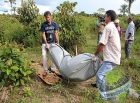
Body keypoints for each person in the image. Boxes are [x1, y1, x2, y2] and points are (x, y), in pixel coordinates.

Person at [91, 10, 121, 99]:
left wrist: (95, 55)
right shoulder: (112, 27)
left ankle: (104, 96)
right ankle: (108, 94)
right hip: (112, 57)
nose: (104, 18)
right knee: (102, 75)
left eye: (105, 16)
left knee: (99, 75)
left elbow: (102, 44)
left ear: (109, 17)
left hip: (111, 58)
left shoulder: (108, 27)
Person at [40, 11, 59, 76]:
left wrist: (58, 43)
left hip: (53, 43)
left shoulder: (54, 24)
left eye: (48, 17)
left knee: (54, 56)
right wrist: (46, 43)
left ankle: (53, 69)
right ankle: (45, 70)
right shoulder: (43, 24)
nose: (47, 19)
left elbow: (56, 33)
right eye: (46, 18)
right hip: (45, 43)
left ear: (50, 16)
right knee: (44, 56)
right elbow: (43, 34)